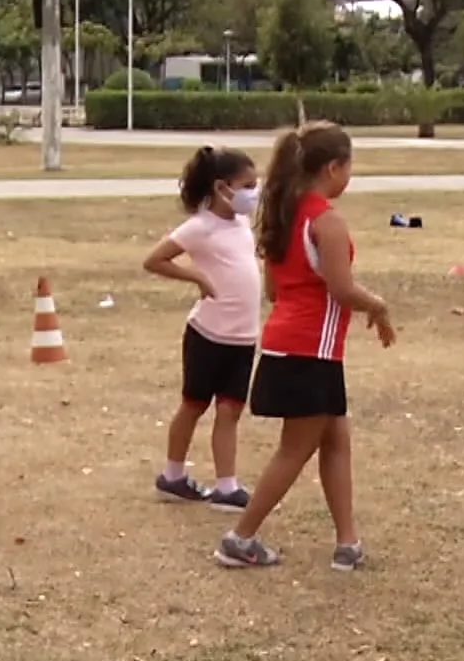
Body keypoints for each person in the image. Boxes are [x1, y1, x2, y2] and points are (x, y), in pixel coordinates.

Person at [215, 123, 393, 569]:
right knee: (295, 449)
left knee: (336, 439)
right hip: (310, 350)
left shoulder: (285, 217)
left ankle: (347, 544)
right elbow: (341, 287)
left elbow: (276, 289)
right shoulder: (325, 221)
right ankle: (240, 537)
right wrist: (379, 306)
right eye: (349, 167)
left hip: (289, 344)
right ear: (334, 168)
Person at [142, 146, 262, 509]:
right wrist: (195, 276)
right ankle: (173, 475)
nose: (253, 192)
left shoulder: (241, 225)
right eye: (248, 185)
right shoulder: (200, 227)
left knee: (230, 410)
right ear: (222, 188)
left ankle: (227, 486)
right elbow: (154, 260)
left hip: (243, 336)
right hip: (208, 335)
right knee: (194, 404)